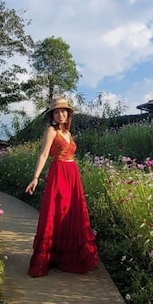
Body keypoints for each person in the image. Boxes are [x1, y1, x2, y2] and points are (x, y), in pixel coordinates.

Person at [25, 96, 99, 277]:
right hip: (59, 174)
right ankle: (49, 257)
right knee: (57, 211)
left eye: (63, 111)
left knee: (72, 212)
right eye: (56, 112)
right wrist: (35, 177)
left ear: (68, 114)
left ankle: (65, 256)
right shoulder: (51, 131)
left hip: (72, 174)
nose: (60, 115)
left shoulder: (68, 133)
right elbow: (43, 155)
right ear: (52, 115)